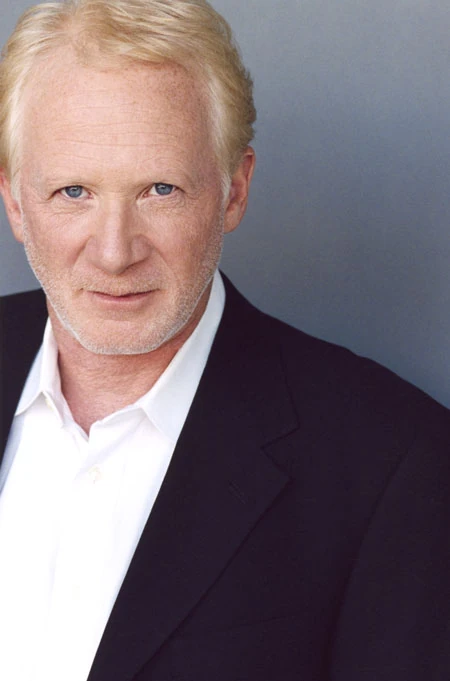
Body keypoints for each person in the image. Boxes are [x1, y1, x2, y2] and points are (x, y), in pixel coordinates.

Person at [1, 1, 450, 679]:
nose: (115, 252)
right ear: (14, 202)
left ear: (234, 190)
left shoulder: (395, 464)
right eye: (73, 191)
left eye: (160, 189)